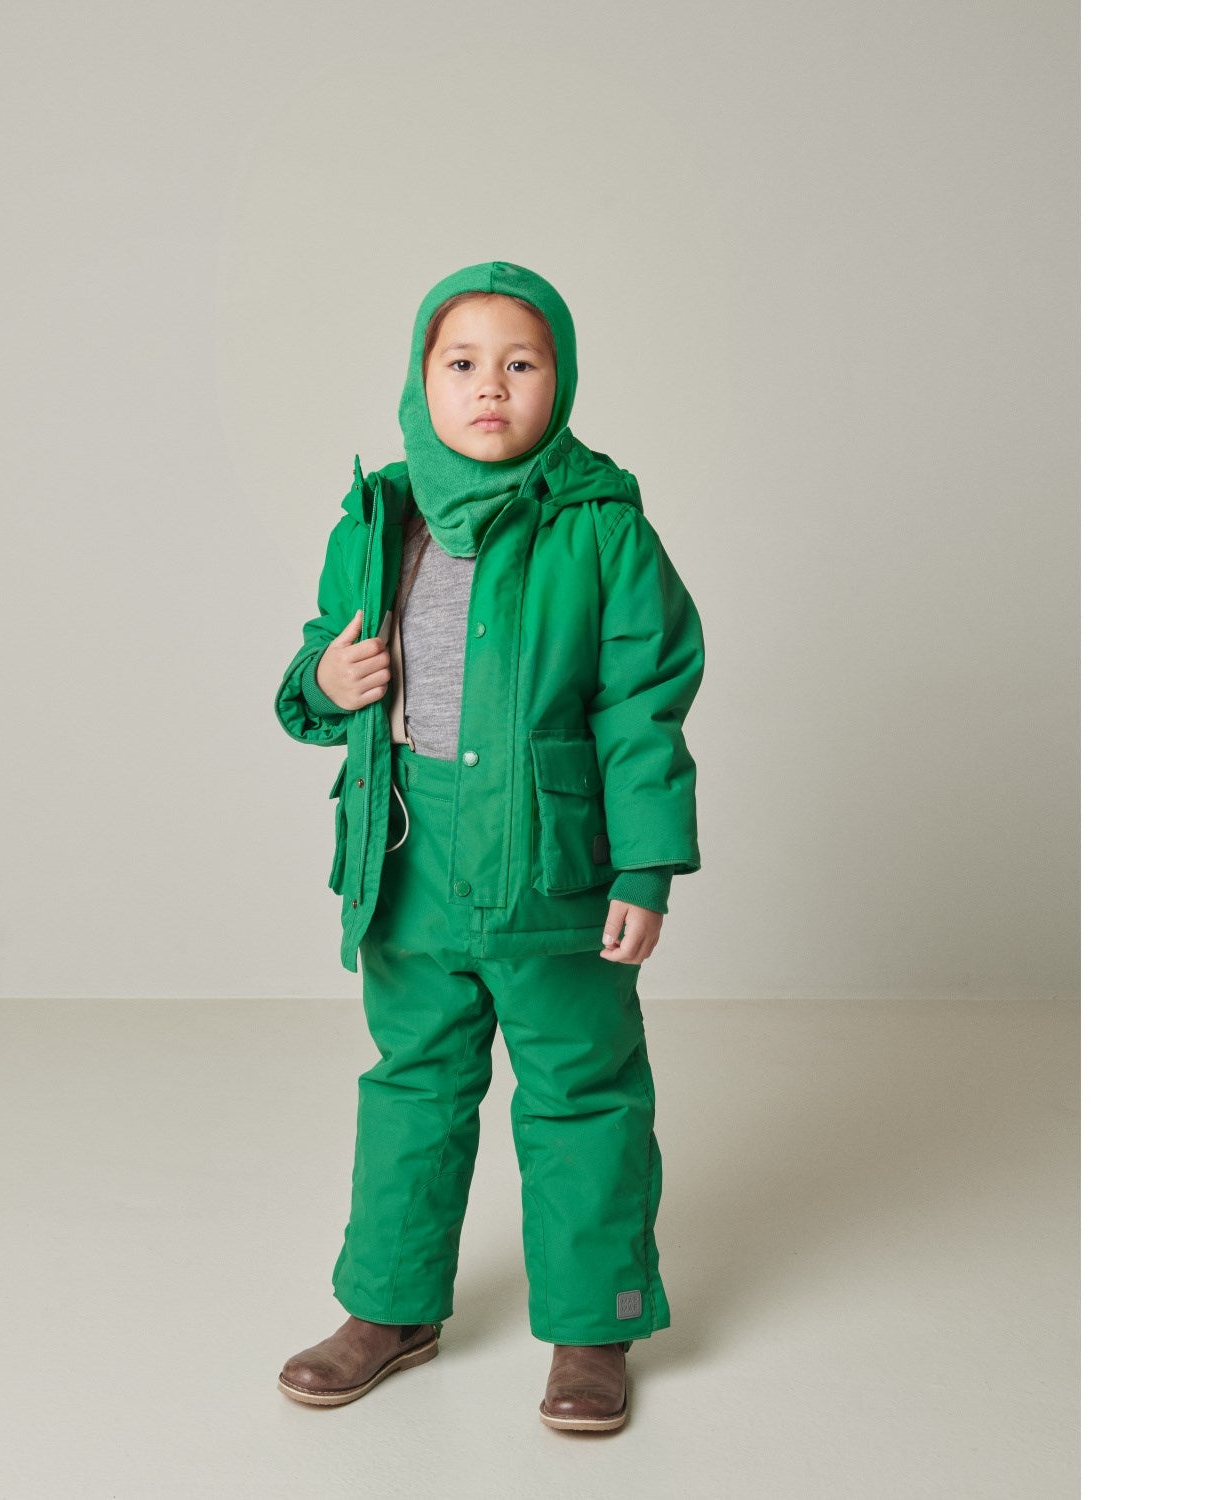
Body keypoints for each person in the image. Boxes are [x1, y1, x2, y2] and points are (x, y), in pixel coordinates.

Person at [272, 261, 704, 1431]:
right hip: (408, 862)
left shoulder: (601, 527)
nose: (491, 387)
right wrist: (324, 680)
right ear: (423, 379)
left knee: (581, 1093)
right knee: (412, 1086)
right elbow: (317, 664)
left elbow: (642, 705)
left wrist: (645, 867)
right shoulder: (379, 519)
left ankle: (595, 1324)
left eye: (522, 363)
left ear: (561, 381)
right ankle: (389, 1306)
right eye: (462, 363)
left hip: (553, 869)